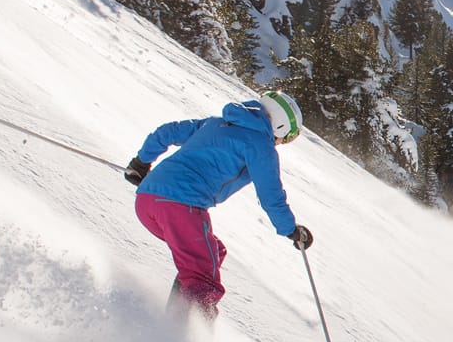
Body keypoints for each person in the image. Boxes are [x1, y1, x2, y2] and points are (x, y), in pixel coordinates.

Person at [123, 90, 313, 321]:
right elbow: (270, 195)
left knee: (211, 253)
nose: (283, 142)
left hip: (146, 201)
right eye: (289, 136)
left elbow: (168, 132)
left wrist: (141, 163)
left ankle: (174, 318)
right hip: (182, 207)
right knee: (203, 281)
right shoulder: (261, 146)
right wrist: (291, 229)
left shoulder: (217, 123)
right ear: (281, 126)